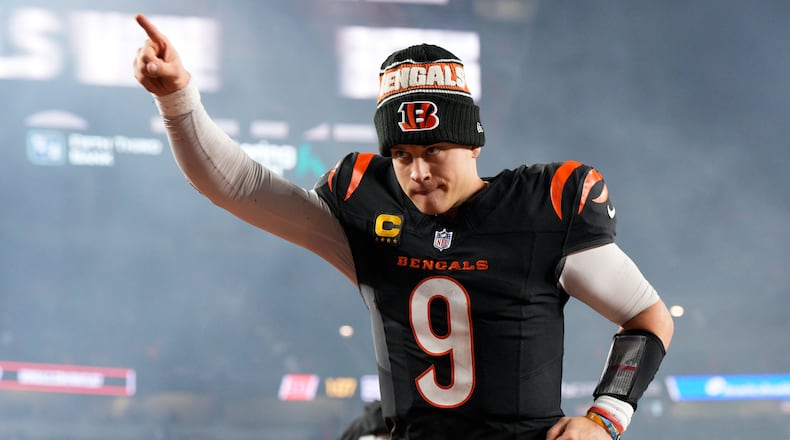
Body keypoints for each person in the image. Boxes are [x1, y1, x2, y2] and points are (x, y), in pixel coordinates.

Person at [133, 13, 673, 440]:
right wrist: (176, 98)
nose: (418, 172)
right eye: (402, 154)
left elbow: (648, 317)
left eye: (435, 150)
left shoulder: (541, 208)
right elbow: (239, 186)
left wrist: (605, 417)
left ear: (473, 143)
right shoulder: (365, 207)